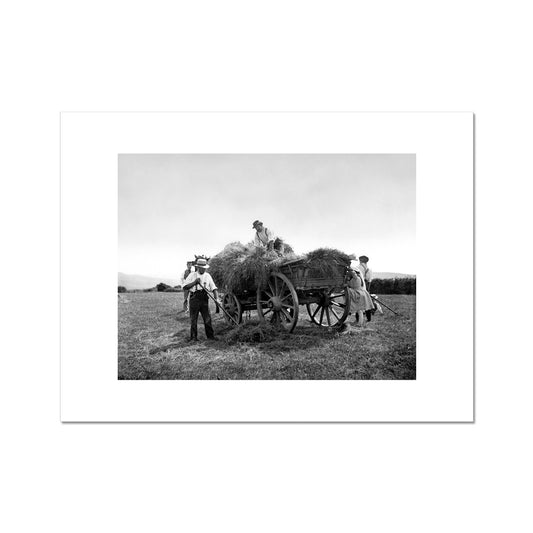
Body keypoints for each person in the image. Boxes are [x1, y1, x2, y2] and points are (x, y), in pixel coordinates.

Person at [182, 257, 220, 341]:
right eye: (202, 268)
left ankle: (210, 337)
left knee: (207, 318)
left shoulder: (208, 276)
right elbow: (184, 287)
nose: (203, 269)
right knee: (193, 319)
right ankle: (193, 338)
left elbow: (214, 288)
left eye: (205, 268)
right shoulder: (192, 275)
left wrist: (216, 298)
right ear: (198, 267)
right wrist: (194, 282)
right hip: (194, 298)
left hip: (204, 298)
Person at [343, 267, 374, 333]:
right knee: (359, 310)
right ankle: (359, 322)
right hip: (358, 293)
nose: (349, 274)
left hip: (358, 294)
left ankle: (360, 323)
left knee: (359, 310)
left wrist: (350, 269)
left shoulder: (356, 278)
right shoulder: (352, 279)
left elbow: (353, 274)